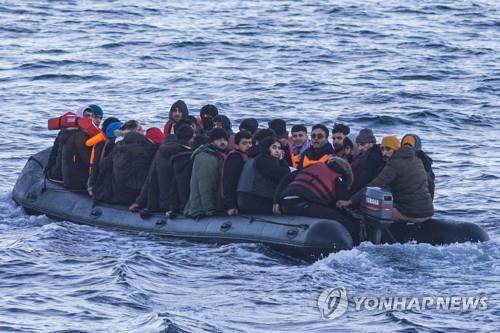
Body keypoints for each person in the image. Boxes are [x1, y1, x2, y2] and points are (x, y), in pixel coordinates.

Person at [337, 136, 434, 223]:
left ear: (396, 149)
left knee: (370, 211)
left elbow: (374, 185)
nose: (384, 153)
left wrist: (350, 201)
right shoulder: (417, 160)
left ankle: (373, 240)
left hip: (409, 213)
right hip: (428, 212)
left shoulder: (394, 164)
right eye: (382, 149)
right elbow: (431, 183)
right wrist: (428, 203)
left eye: (388, 149)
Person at [273, 156, 359, 242]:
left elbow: (286, 178)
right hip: (304, 204)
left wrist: (276, 201)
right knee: (345, 220)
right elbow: (342, 204)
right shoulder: (337, 179)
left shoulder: (313, 166)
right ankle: (356, 244)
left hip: (285, 203)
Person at [93, 123, 157, 205]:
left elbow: (104, 165)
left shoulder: (119, 146)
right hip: (139, 194)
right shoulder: (150, 148)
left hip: (117, 194)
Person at [237, 137, 290, 214]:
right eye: (274, 147)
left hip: (248, 199)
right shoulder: (263, 160)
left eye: (279, 148)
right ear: (267, 148)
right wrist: (281, 160)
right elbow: (284, 174)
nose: (278, 151)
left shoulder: (254, 158)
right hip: (253, 201)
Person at [184, 128, 229, 218]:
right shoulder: (206, 157)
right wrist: (209, 209)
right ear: (212, 141)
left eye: (225, 139)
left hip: (210, 207)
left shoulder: (218, 155)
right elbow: (205, 185)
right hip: (201, 209)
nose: (223, 142)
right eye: (219, 139)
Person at [86, 117, 121, 196]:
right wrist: (91, 185)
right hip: (103, 183)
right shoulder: (103, 144)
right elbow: (96, 165)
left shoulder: (105, 143)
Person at [222, 130, 253, 215]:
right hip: (236, 200)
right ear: (236, 145)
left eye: (250, 143)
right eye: (244, 143)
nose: (249, 146)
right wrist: (231, 205)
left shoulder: (249, 157)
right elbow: (229, 183)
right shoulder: (235, 160)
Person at [349, 128, 385, 194]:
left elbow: (363, 180)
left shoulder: (374, 158)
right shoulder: (365, 155)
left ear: (372, 143)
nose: (359, 148)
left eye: (362, 144)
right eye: (358, 145)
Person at [401, 134, 435, 199]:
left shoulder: (425, 162)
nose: (407, 148)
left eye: (410, 146)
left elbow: (430, 183)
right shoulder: (398, 158)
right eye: (405, 145)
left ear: (416, 147)